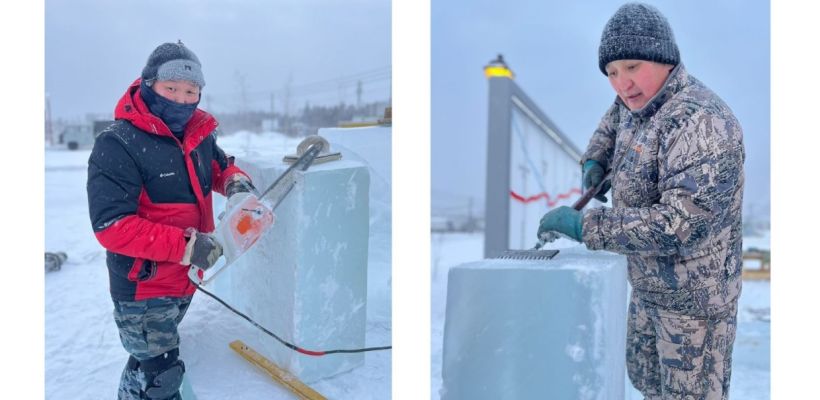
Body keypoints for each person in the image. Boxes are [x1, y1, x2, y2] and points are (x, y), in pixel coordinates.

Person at [536, 3, 744, 399]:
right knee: (648, 385)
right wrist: (595, 158)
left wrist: (586, 226)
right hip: (647, 284)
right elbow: (614, 121)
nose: (621, 83)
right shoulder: (637, 101)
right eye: (611, 72)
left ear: (664, 59)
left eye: (632, 67)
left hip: (694, 306)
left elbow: (680, 225)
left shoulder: (702, 122)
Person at [87, 41, 255, 399]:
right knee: (162, 379)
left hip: (183, 278)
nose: (181, 99)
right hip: (143, 288)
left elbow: (221, 167)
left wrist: (238, 185)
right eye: (171, 89)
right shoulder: (118, 143)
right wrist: (189, 246)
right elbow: (111, 226)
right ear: (148, 84)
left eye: (190, 91)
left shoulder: (198, 135)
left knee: (146, 362)